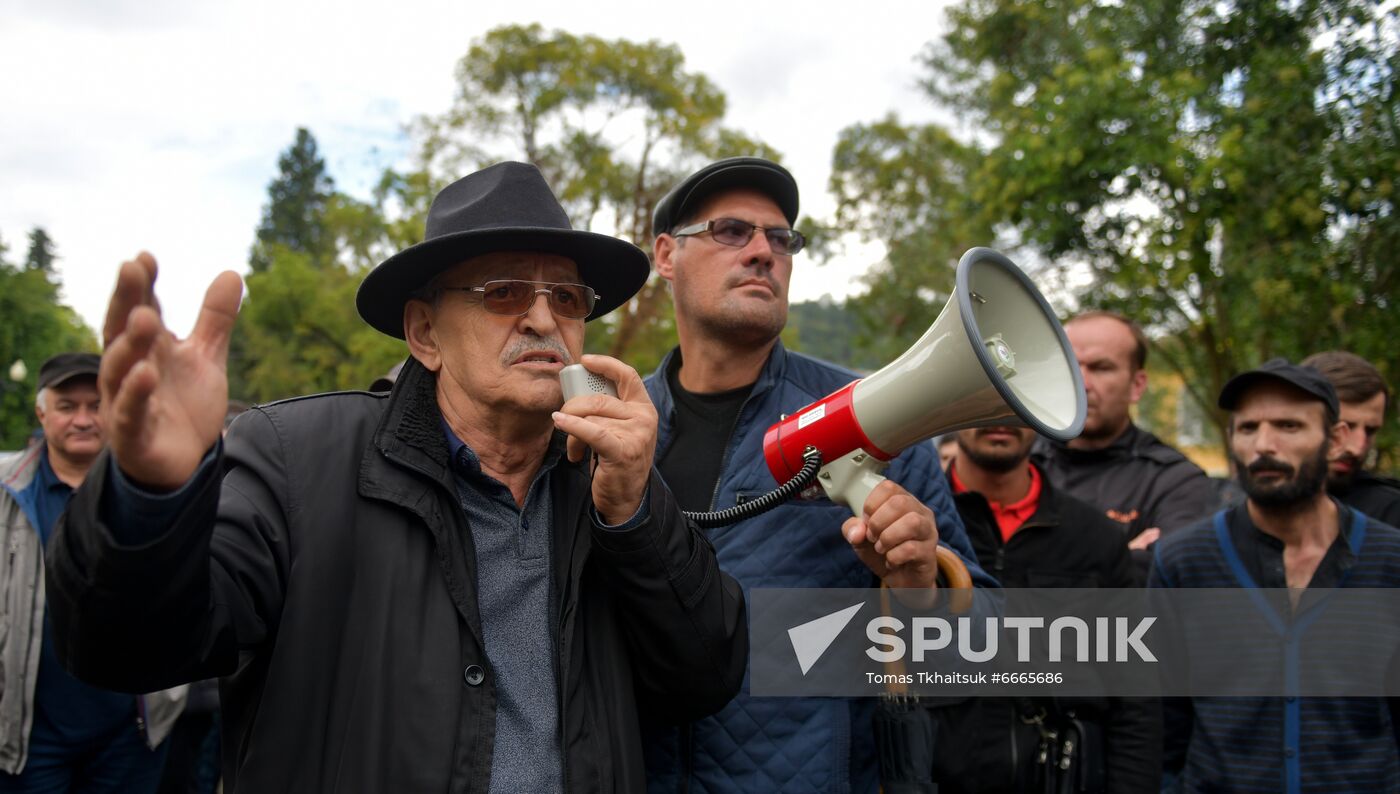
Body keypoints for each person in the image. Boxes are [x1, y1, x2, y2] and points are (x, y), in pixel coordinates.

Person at [45, 162, 747, 793]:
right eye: (504, 291)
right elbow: (128, 647)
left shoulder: (607, 478)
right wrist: (149, 498)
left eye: (567, 298)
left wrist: (633, 517)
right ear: (425, 334)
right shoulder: (292, 458)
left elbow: (705, 677)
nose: (544, 317)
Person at [642, 156, 996, 791]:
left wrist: (921, 589)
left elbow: (985, 645)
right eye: (731, 231)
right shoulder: (620, 428)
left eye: (781, 239)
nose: (762, 252)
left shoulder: (879, 416)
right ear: (666, 255)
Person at [1150, 359, 1400, 791]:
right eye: (1248, 428)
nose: (1264, 445)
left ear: (1334, 438)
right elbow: (1162, 722)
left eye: (1288, 426)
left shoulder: (1389, 559)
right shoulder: (1183, 561)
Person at [934, 425, 1160, 793]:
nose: (1000, 416)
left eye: (1014, 398)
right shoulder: (914, 530)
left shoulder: (1096, 539)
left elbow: (1135, 697)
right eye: (983, 398)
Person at [0, 353, 183, 792]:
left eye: (95, 405)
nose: (83, 419)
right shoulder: (7, 490)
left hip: (130, 734)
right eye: (67, 406)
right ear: (42, 413)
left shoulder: (157, 490)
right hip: (30, 735)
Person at [1033, 312, 1218, 575]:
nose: (1081, 384)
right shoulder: (1021, 462)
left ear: (1137, 385)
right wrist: (1117, 558)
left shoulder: (1174, 481)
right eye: (1069, 367)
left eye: (1101, 368)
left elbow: (1165, 582)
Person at [1301, 350, 1400, 526]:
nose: (1358, 447)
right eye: (1342, 428)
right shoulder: (1242, 508)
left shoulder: (1390, 513)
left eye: (1370, 431)